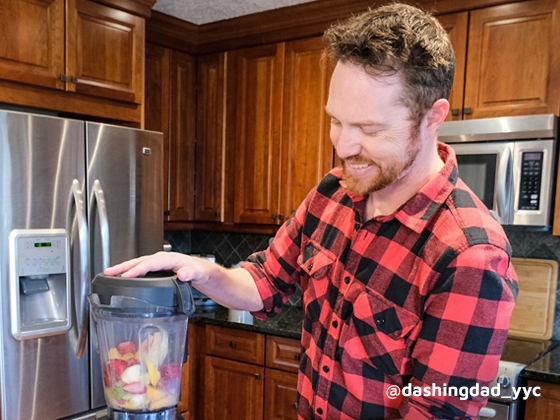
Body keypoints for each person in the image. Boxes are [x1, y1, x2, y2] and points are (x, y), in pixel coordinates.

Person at [105, 3, 518, 419]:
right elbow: (265, 282)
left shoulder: (471, 256)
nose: (343, 146)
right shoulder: (333, 193)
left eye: (369, 129)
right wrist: (200, 270)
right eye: (336, 121)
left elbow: (435, 412)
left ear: (433, 117)